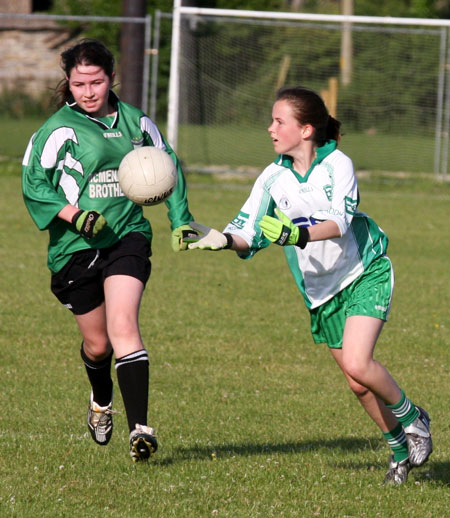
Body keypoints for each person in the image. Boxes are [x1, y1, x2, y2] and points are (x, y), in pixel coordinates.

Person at [187, 86, 432, 485]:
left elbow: (339, 222)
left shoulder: (337, 164)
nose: (270, 129)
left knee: (357, 362)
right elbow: (248, 230)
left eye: (279, 121)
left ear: (306, 129)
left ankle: (414, 418)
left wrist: (296, 235)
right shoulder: (272, 177)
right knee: (357, 383)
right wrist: (220, 238)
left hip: (364, 270)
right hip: (321, 291)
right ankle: (399, 453)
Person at [22, 39, 198, 462]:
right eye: (79, 83)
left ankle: (141, 429)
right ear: (68, 83)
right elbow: (32, 183)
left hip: (126, 237)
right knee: (98, 346)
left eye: (96, 82)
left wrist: (181, 220)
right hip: (74, 250)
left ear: (111, 78)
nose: (87, 91)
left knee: (124, 325)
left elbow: (166, 166)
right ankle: (101, 402)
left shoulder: (136, 123)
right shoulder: (56, 130)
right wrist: (74, 215)